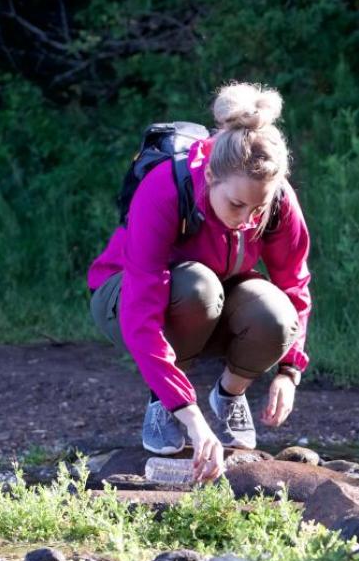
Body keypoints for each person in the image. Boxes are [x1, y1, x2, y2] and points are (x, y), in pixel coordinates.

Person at [86, 82, 312, 482]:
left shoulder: (277, 201)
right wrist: (190, 416)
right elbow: (141, 314)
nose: (247, 218)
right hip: (125, 297)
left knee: (276, 314)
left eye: (257, 207)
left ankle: (228, 395)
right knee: (198, 288)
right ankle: (163, 401)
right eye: (236, 204)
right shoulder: (164, 189)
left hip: (214, 295)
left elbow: (294, 285)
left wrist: (288, 372)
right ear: (210, 175)